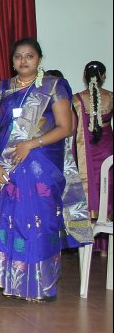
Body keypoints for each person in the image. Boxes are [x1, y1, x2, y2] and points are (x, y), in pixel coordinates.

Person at [0, 38, 92, 301]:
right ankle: (14, 284)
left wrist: (30, 145)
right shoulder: (2, 88)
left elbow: (66, 127)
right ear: (12, 61)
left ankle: (41, 286)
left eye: (29, 56)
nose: (23, 61)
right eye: (18, 56)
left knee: (39, 224)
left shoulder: (53, 86)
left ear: (39, 59)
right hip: (9, 166)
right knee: (12, 223)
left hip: (42, 167)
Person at [72, 61, 113, 227]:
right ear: (103, 76)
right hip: (108, 148)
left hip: (85, 149)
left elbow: (73, 129)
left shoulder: (77, 99)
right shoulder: (111, 97)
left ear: (85, 77)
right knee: (108, 185)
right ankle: (107, 239)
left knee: (89, 185)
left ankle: (90, 234)